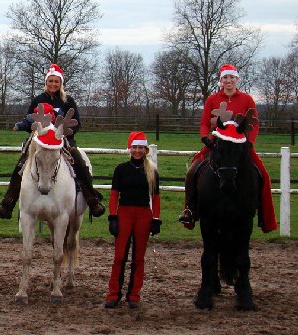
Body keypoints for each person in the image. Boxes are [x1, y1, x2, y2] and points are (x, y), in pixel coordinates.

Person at [0, 64, 105, 219]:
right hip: (40, 141)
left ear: (61, 83)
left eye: (56, 81)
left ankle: (92, 199)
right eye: (50, 81)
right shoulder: (37, 100)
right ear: (46, 82)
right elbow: (30, 121)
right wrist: (22, 127)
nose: (53, 84)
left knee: (77, 159)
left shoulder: (68, 101)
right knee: (22, 162)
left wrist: (64, 132)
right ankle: (8, 202)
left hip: (63, 140)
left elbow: (77, 123)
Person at [178, 63, 278, 233]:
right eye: (225, 77)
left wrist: (249, 142)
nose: (229, 80)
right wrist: (205, 138)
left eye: (232, 77)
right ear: (221, 80)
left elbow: (255, 125)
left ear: (237, 79)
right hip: (217, 144)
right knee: (192, 171)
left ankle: (264, 216)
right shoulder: (212, 99)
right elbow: (204, 122)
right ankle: (190, 210)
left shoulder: (247, 99)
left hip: (241, 146)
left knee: (264, 175)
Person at [105, 131, 162, 309]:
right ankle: (113, 294)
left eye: (141, 148)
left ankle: (134, 294)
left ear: (145, 150)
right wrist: (113, 216)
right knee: (119, 256)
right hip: (124, 213)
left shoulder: (152, 171)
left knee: (139, 257)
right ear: (129, 148)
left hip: (143, 215)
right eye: (134, 147)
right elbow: (114, 195)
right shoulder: (120, 170)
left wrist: (156, 218)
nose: (137, 151)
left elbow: (156, 197)